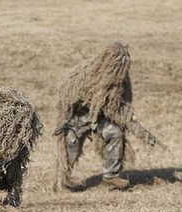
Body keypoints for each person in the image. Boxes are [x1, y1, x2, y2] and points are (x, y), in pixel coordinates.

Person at [54, 41, 162, 191]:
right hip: (79, 115)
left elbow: (123, 106)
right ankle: (63, 181)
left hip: (102, 117)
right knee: (71, 146)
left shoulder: (122, 80)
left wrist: (136, 127)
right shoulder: (84, 72)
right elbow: (66, 96)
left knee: (116, 133)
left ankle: (110, 177)